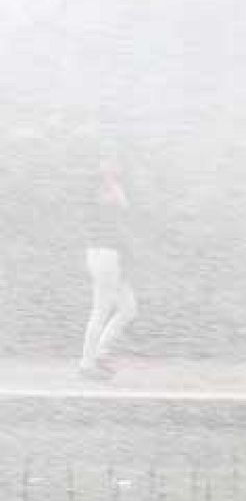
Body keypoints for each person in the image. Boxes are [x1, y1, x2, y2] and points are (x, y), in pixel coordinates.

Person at [78, 154, 139, 380]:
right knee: (101, 309)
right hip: (105, 256)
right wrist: (110, 179)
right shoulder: (99, 193)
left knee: (128, 308)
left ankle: (100, 352)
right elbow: (122, 203)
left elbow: (123, 205)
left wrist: (112, 180)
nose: (118, 169)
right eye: (113, 165)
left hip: (111, 257)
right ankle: (87, 363)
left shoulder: (106, 192)